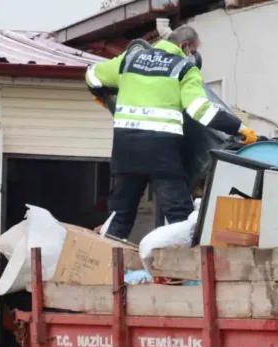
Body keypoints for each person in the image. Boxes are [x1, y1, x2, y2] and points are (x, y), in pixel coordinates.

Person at [85, 25, 260, 240]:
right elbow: (199, 110)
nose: (193, 56)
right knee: (179, 216)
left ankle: (104, 266)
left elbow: (92, 75)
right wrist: (240, 128)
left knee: (120, 215)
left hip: (126, 149)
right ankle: (186, 270)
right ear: (184, 46)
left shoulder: (129, 60)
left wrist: (105, 97)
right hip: (161, 152)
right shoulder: (184, 69)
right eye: (193, 51)